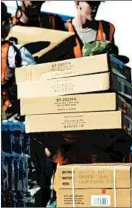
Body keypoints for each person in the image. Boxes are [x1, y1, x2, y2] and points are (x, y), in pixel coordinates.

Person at [2, 2, 54, 207]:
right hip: (14, 135)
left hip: (15, 133)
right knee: (26, 188)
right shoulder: (16, 53)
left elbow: (38, 93)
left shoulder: (15, 53)